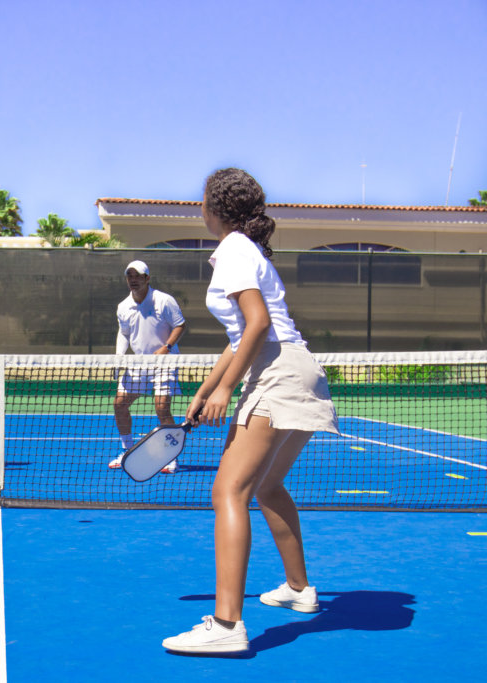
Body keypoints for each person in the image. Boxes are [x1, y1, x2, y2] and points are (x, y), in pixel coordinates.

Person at [161, 169, 338, 654]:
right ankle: (299, 590)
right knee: (267, 486)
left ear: (214, 208)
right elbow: (240, 336)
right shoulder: (246, 249)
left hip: (276, 372)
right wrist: (205, 390)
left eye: (201, 201)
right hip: (299, 370)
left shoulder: (234, 249)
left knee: (228, 491)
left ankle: (226, 624)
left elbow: (257, 324)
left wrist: (228, 390)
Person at [110, 259, 186, 471]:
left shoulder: (164, 301)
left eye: (137, 276)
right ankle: (127, 450)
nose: (133, 280)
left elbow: (180, 325)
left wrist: (167, 347)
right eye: (130, 276)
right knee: (119, 404)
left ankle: (171, 456)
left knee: (162, 407)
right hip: (138, 363)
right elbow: (124, 334)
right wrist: (119, 357)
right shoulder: (123, 307)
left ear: (147, 278)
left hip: (165, 361)